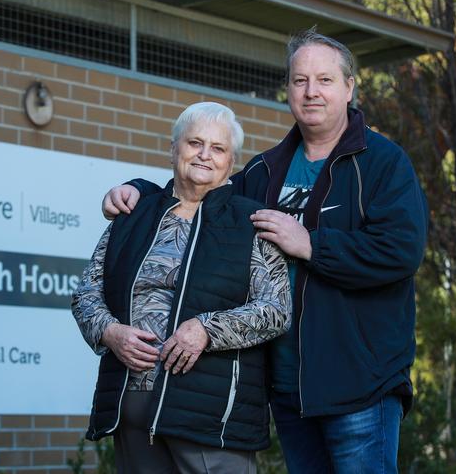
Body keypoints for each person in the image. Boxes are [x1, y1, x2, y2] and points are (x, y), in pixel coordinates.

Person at [102, 28, 428, 473]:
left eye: (325, 80)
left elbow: (401, 251)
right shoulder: (264, 170)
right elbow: (199, 194)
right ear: (288, 89)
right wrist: (135, 191)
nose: (311, 91)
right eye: (299, 80)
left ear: (349, 87)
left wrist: (312, 244)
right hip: (289, 388)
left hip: (360, 386)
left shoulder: (383, 164)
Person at [71, 102, 292, 474]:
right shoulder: (132, 215)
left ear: (231, 161)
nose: (205, 155)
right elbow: (86, 295)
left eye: (218, 148)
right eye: (195, 143)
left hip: (209, 414)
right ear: (174, 149)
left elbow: (276, 309)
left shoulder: (249, 224)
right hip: (133, 404)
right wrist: (111, 333)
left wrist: (206, 329)